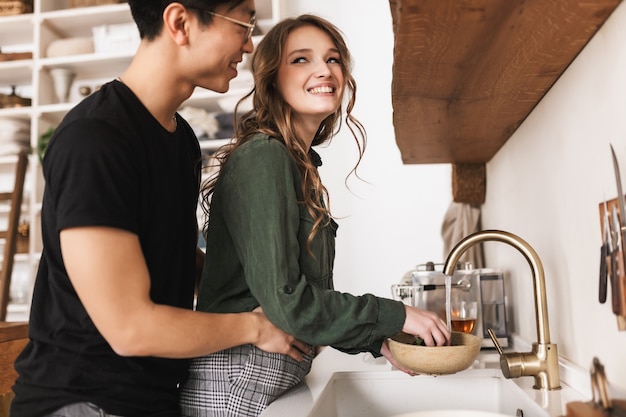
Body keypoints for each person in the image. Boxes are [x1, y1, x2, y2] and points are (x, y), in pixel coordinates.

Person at [10, 2, 310, 417]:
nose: (249, 42)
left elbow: (170, 255)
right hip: (85, 403)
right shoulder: (95, 142)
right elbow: (131, 328)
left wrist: (269, 285)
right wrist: (256, 326)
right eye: (244, 23)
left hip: (150, 398)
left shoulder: (179, 136)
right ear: (180, 23)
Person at [179, 14, 451, 417]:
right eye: (302, 59)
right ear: (271, 79)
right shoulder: (263, 157)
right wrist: (395, 315)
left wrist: (376, 340)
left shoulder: (293, 162)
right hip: (235, 385)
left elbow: (303, 305)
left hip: (259, 382)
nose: (325, 70)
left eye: (334, 59)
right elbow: (289, 304)